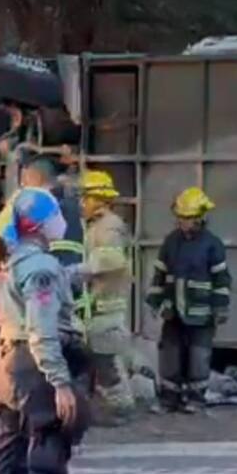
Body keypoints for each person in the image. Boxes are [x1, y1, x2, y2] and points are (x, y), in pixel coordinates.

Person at [0, 187, 93, 474]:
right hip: (34, 367)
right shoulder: (41, 265)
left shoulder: (12, 259)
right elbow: (43, 331)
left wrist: (78, 272)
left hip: (6, 364)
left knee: (8, 457)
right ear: (41, 223)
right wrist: (61, 383)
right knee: (48, 456)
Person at [145, 187, 230, 414]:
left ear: (201, 218)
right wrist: (156, 301)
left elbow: (221, 279)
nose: (183, 222)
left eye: (188, 218)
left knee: (198, 357)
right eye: (181, 218)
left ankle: (196, 400)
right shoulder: (171, 242)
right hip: (173, 312)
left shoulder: (212, 244)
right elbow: (159, 275)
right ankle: (168, 399)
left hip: (202, 314)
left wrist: (220, 308)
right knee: (170, 356)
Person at [79, 170, 136, 424]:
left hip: (107, 305)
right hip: (96, 305)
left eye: (85, 198)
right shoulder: (94, 225)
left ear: (98, 199)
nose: (82, 203)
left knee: (107, 360)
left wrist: (78, 270)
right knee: (95, 358)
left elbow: (113, 259)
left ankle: (121, 407)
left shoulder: (109, 226)